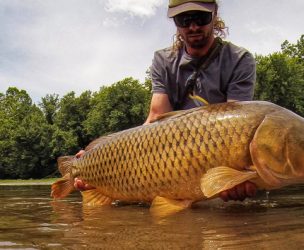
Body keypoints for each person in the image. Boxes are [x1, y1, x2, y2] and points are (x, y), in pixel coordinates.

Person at [74, 0, 257, 202]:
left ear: (215, 14)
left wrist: (234, 176)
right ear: (174, 21)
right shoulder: (163, 60)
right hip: (168, 159)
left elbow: (238, 127)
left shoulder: (239, 59)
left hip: (212, 161)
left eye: (200, 18)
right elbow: (156, 118)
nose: (193, 26)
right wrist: (98, 158)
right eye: (184, 20)